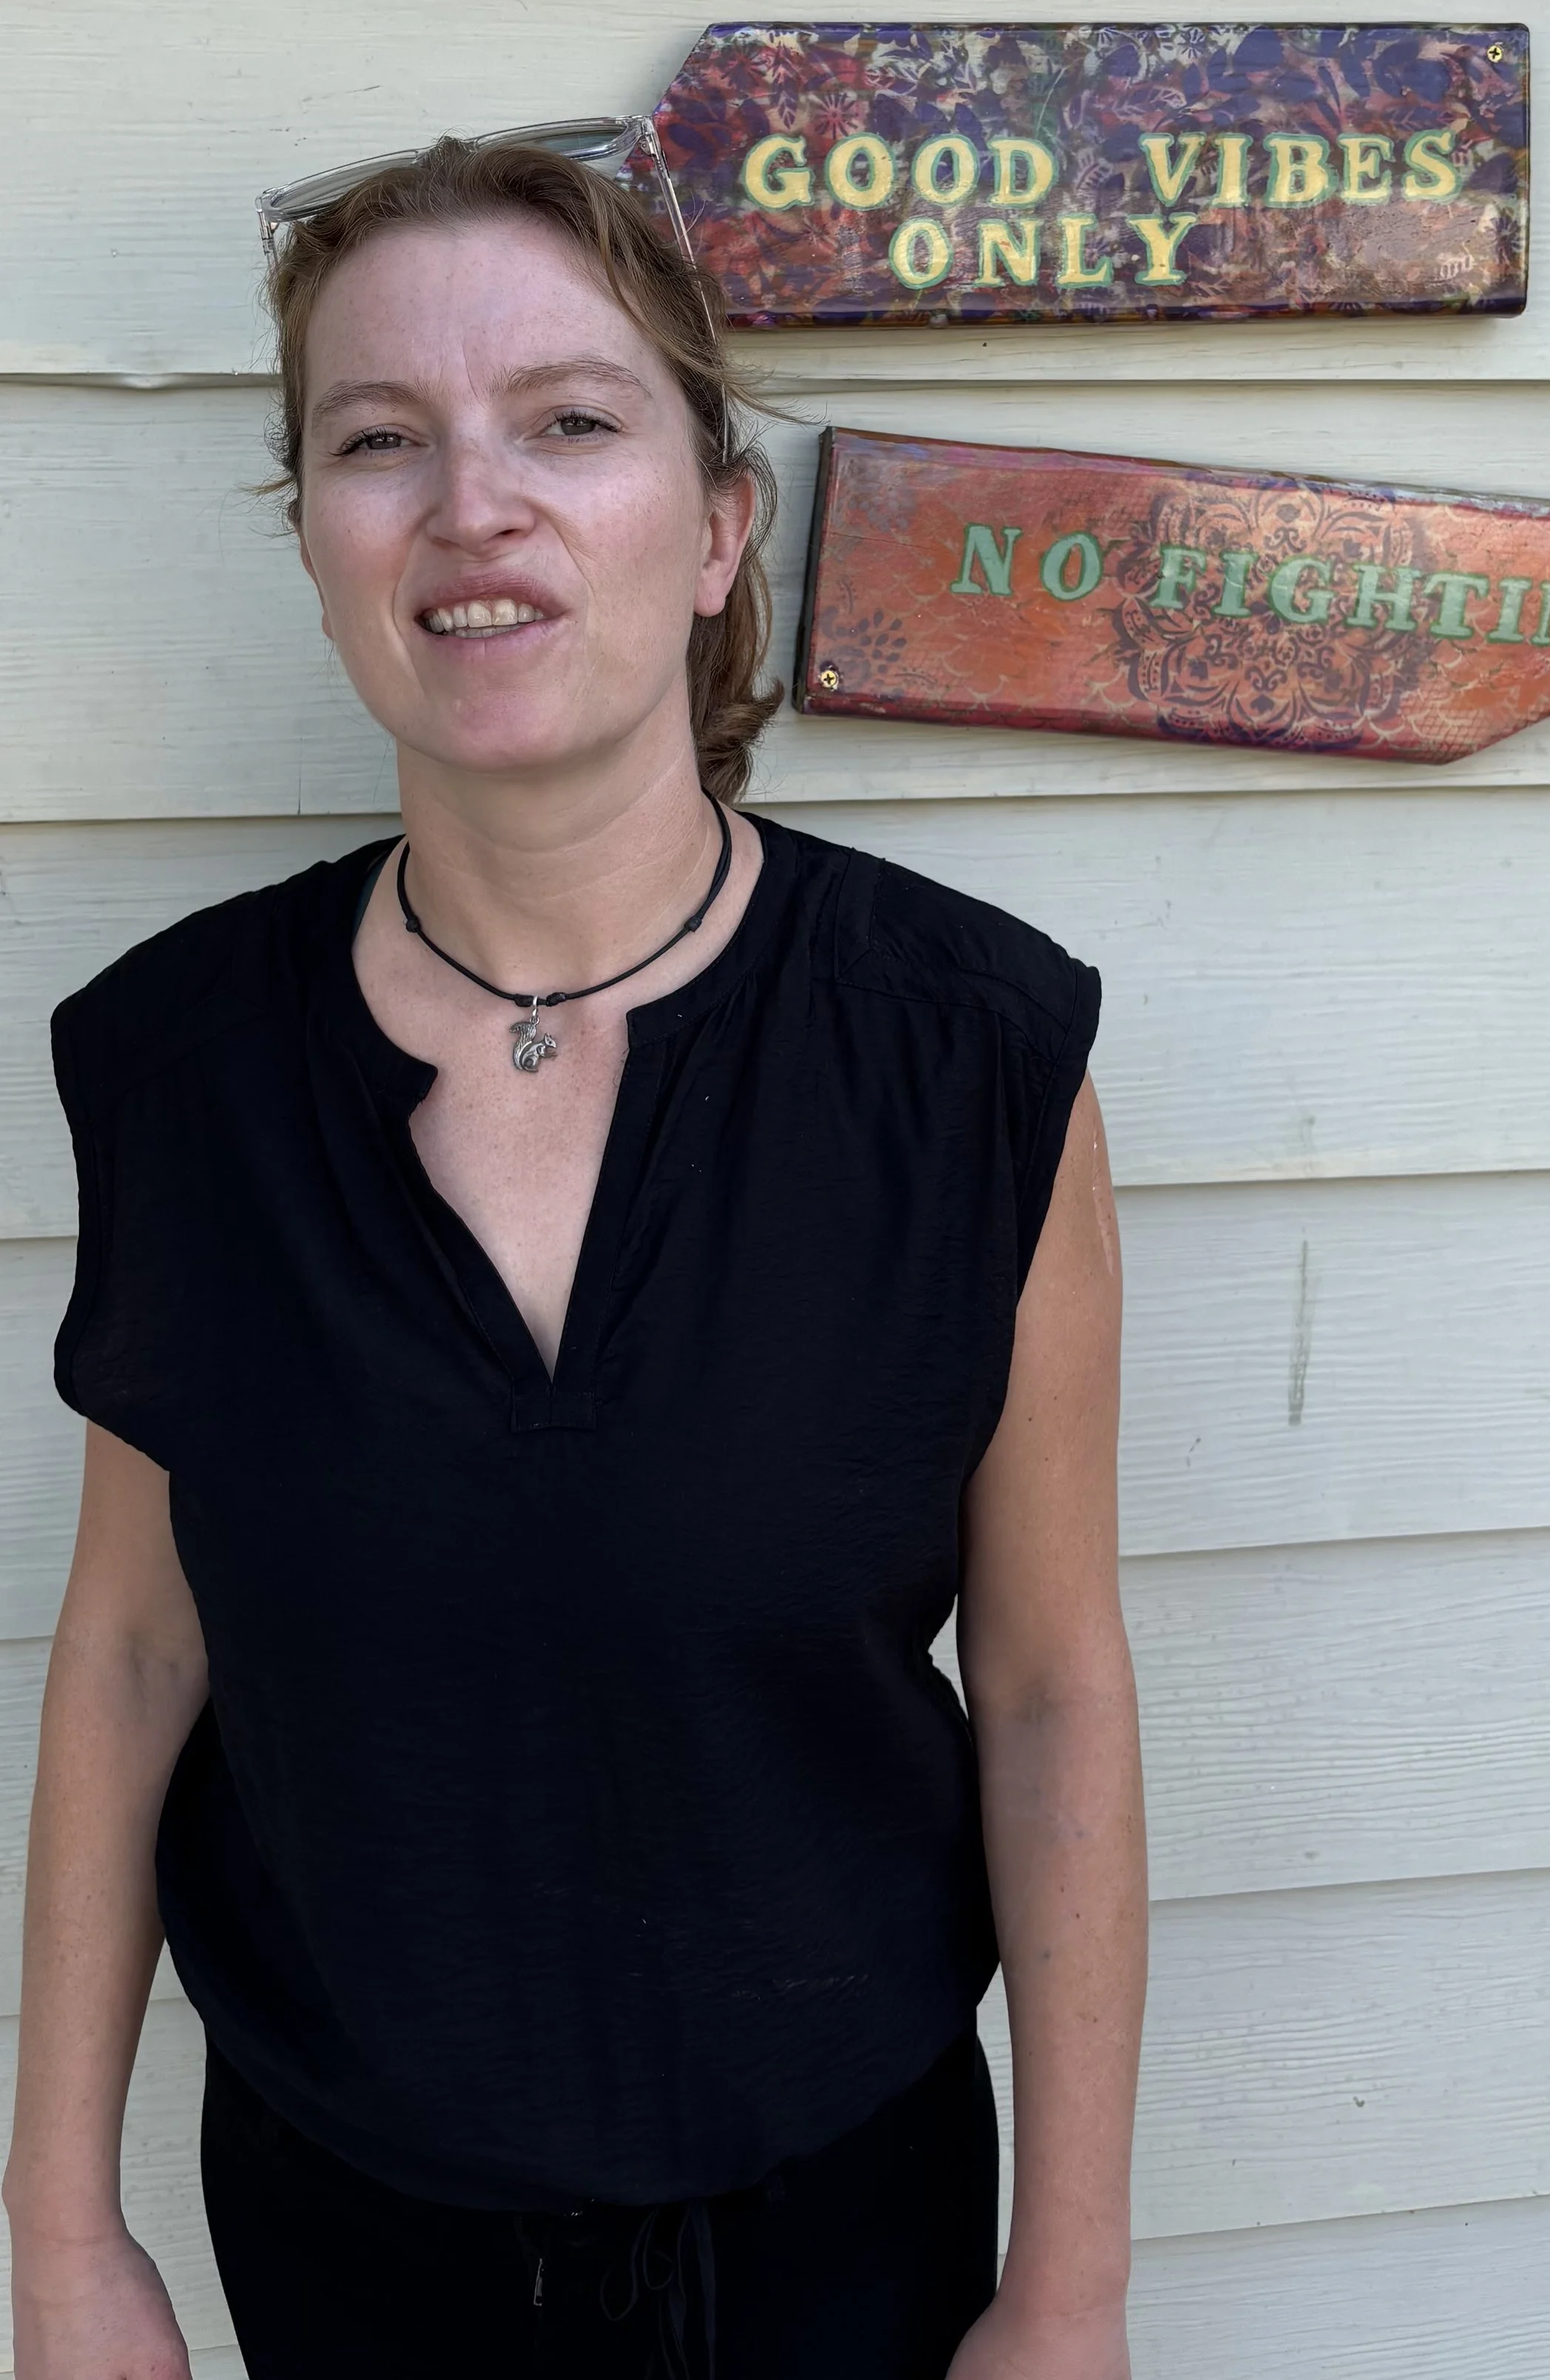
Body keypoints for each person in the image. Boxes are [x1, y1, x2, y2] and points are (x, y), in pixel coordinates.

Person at [3, 130, 1145, 2380]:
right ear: (317, 541)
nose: (469, 503)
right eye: (374, 441)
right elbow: (134, 1658)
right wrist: (59, 2235)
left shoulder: (968, 1056)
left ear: (717, 528)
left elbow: (1046, 1686)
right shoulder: (177, 1066)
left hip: (848, 2213)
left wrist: (1068, 2286)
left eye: (568, 419)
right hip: (350, 2226)